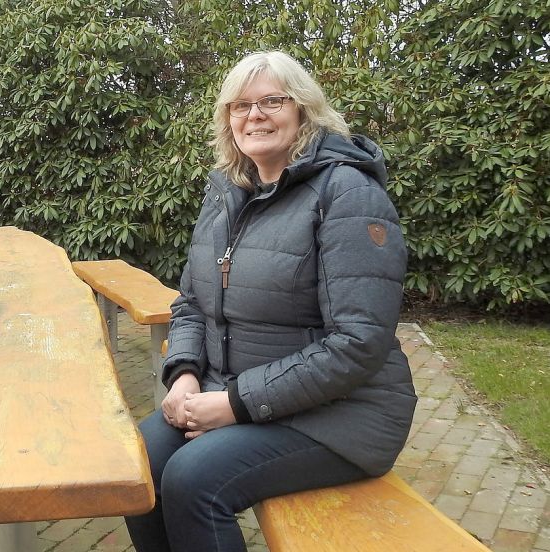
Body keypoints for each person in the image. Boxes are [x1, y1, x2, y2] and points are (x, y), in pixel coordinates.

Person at [124, 51, 417, 552]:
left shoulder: (347, 193)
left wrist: (236, 405)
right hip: (231, 390)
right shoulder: (225, 195)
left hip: (342, 415)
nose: (254, 115)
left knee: (194, 480)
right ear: (228, 119)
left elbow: (358, 341)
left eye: (271, 101)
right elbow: (191, 302)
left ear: (303, 110)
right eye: (240, 105)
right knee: (138, 466)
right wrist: (185, 374)